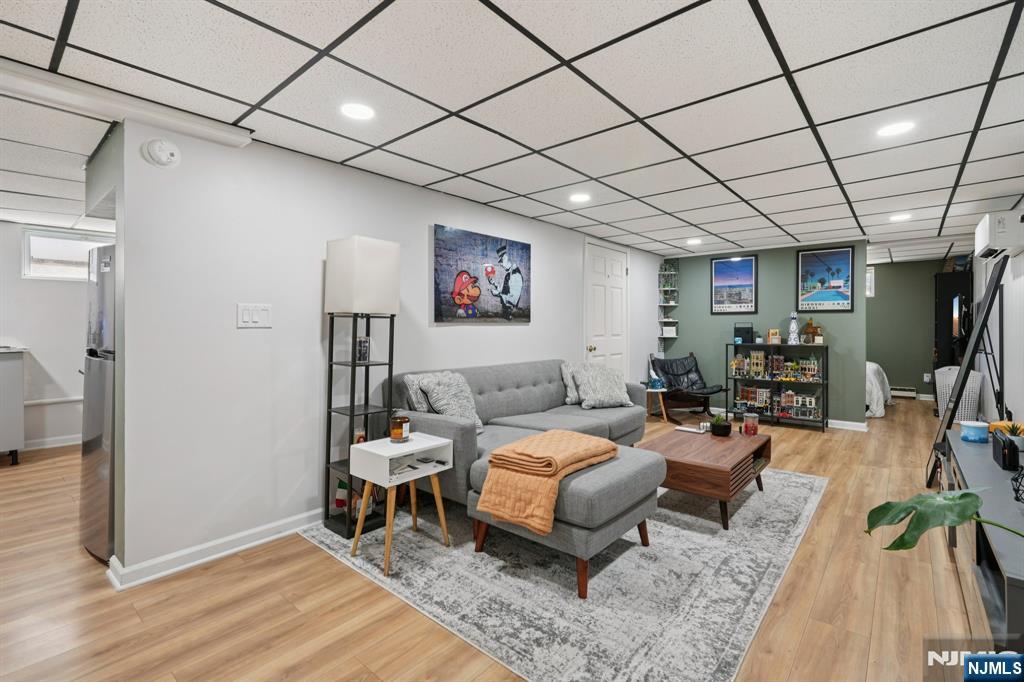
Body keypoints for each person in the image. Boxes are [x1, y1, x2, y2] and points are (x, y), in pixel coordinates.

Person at [487, 243, 523, 320]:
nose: (501, 265)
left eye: (502, 262)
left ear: (506, 259)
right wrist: (494, 283)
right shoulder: (509, 274)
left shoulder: (516, 275)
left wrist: (498, 294)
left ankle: (508, 314)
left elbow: (512, 299)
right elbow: (503, 291)